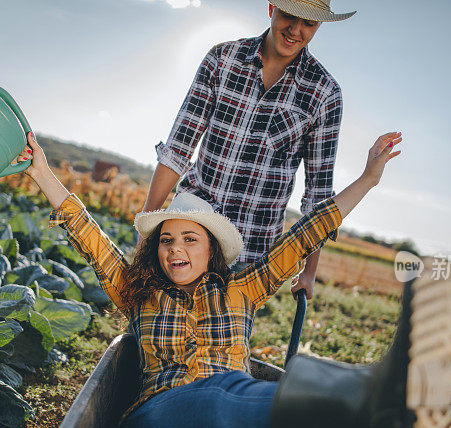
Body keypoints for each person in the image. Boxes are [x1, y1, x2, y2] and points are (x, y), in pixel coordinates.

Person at [17, 131, 451, 428]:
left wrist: (369, 179)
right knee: (222, 394)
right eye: (166, 240)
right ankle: (374, 407)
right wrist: (41, 171)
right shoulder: (137, 291)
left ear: (211, 248)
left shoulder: (241, 289)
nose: (176, 248)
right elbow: (86, 230)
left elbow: (306, 234)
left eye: (189, 238)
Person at [142, 0, 358, 301]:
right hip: (191, 225)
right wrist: (146, 229)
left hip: (252, 246)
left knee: (224, 342)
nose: (295, 30)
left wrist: (309, 271)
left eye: (308, 23)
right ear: (272, 8)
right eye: (289, 16)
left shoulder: (324, 93)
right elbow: (178, 149)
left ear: (319, 25)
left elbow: (317, 194)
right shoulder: (222, 59)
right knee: (160, 326)